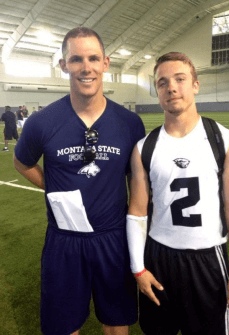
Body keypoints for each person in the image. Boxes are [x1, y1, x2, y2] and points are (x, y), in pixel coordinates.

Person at [14, 27, 145, 335]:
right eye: (76, 60)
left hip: (114, 238)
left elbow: (139, 183)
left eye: (93, 58)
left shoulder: (129, 123)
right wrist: (54, 187)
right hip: (64, 241)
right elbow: (22, 163)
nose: (86, 67)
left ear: (106, 63)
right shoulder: (41, 122)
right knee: (62, 325)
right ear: (63, 65)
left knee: (116, 322)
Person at [126, 52, 229, 335]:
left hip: (207, 259)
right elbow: (137, 212)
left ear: (195, 84)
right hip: (157, 258)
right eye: (162, 82)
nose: (171, 87)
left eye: (180, 79)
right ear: (157, 91)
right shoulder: (144, 147)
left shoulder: (225, 140)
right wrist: (138, 269)